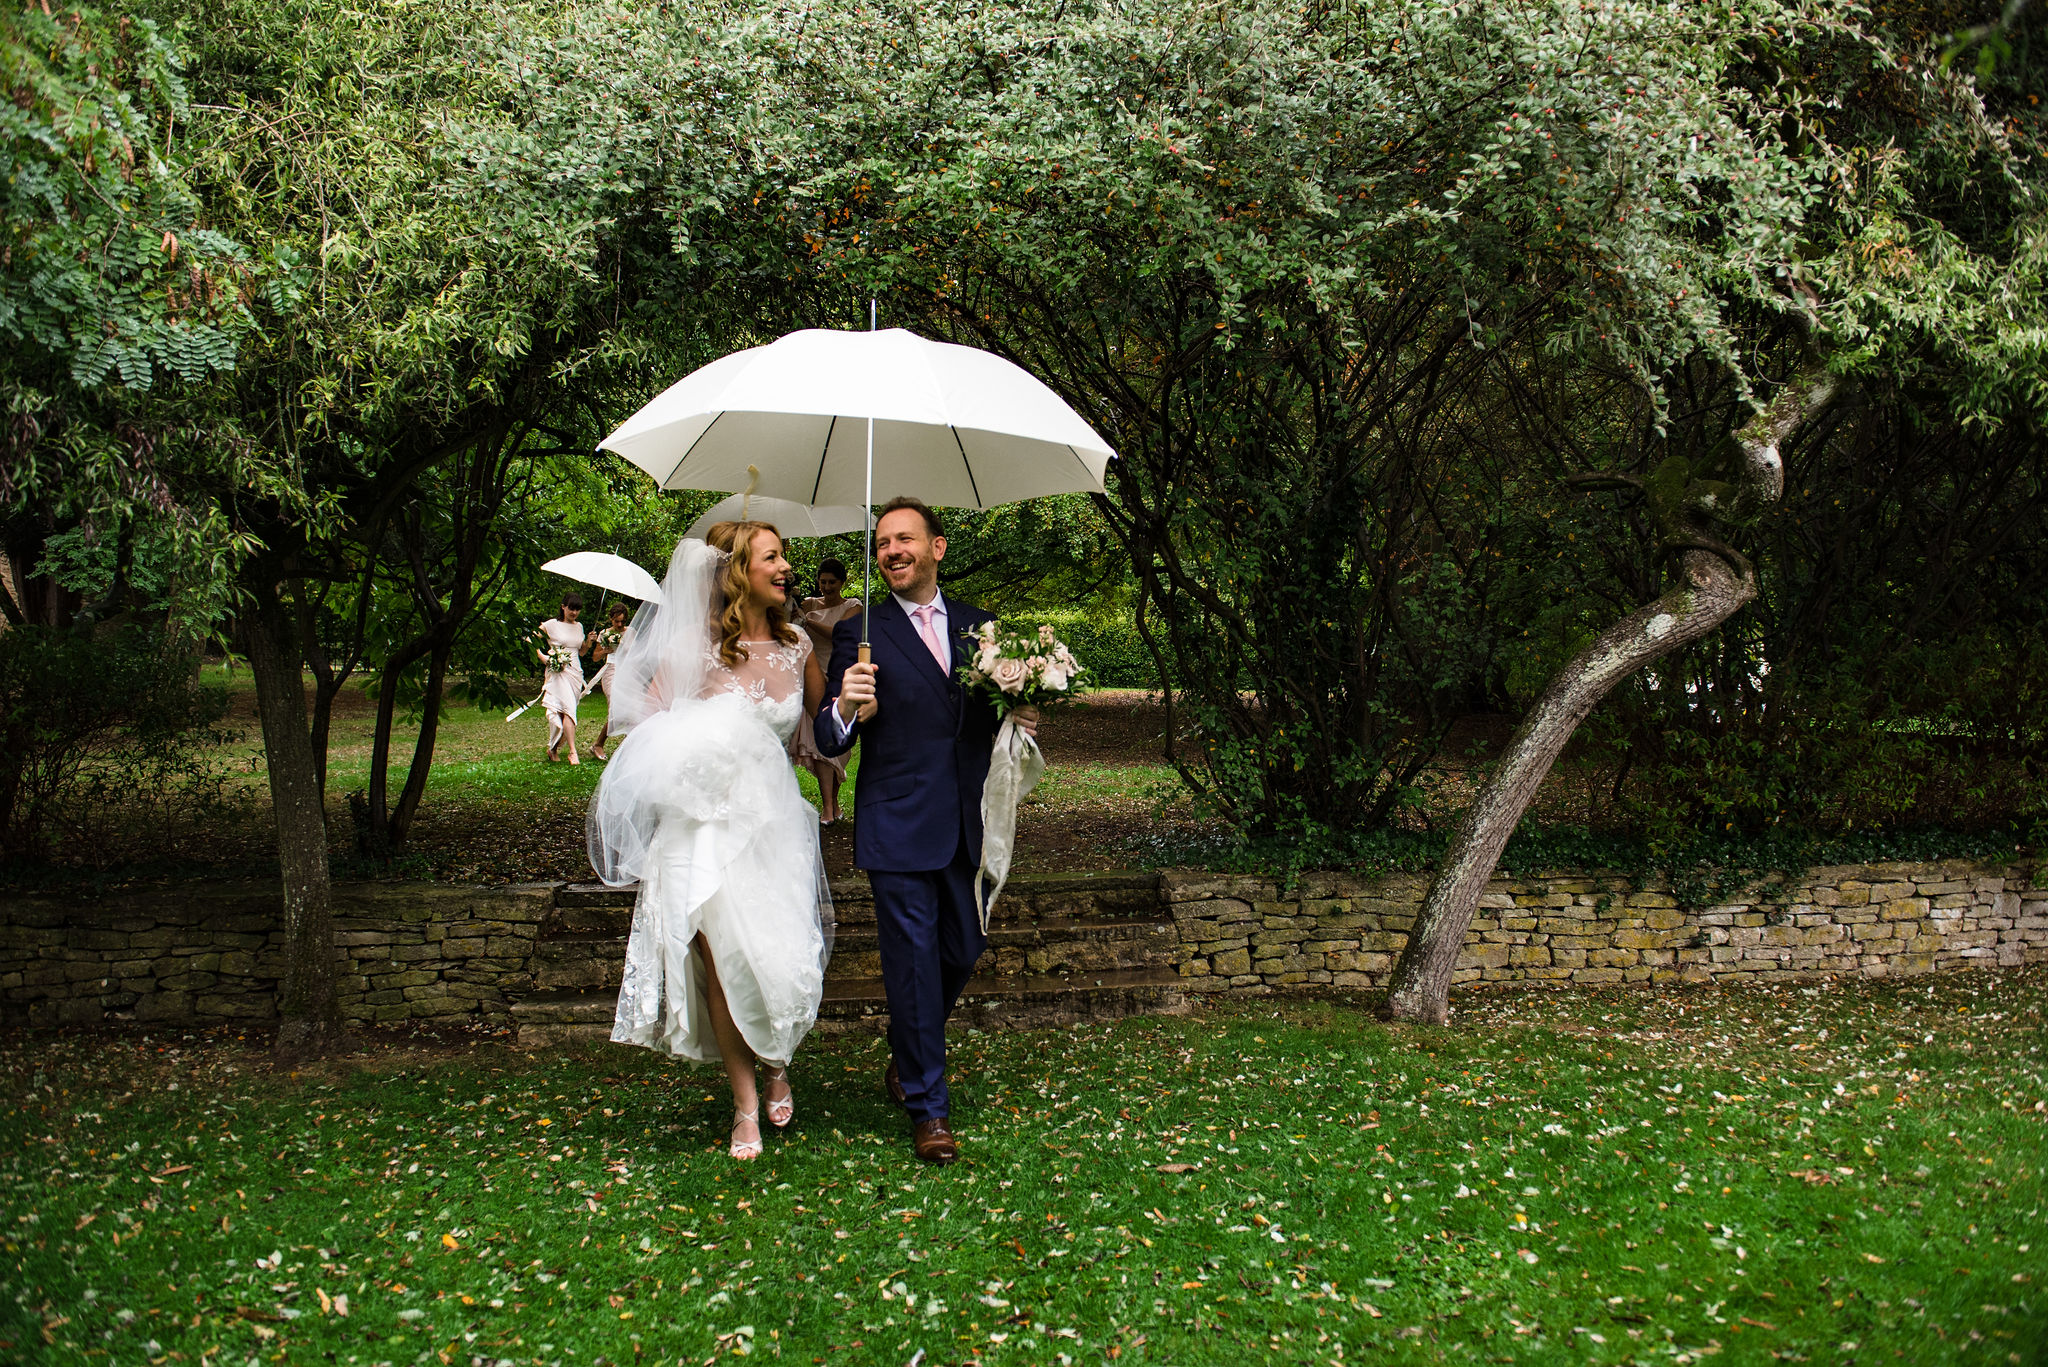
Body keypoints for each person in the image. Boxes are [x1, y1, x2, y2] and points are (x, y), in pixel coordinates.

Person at [589, 522, 834, 1161]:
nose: (786, 567)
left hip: (774, 826)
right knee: (723, 966)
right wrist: (696, 750)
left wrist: (856, 702)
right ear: (737, 572)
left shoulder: (798, 645)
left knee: (776, 955)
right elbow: (639, 721)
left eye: (785, 557)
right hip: (703, 827)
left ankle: (777, 1058)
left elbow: (828, 729)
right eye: (772, 557)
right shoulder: (695, 649)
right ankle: (745, 1101)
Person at [813, 497, 1036, 1165]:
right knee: (910, 959)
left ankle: (909, 1043)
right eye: (882, 542)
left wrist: (1023, 710)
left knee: (963, 945)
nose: (891, 551)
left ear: (937, 547)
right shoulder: (862, 632)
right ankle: (929, 1109)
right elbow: (827, 735)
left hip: (969, 819)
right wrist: (847, 705)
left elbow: (990, 713)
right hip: (899, 818)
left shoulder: (982, 629)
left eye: (904, 538)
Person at [790, 558, 862, 822]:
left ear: (842, 582)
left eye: (832, 582)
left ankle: (834, 804)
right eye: (823, 582)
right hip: (812, 676)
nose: (827, 587)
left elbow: (839, 634)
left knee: (838, 747)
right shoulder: (807, 605)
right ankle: (829, 808)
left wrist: (807, 622)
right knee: (818, 743)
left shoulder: (853, 606)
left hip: (839, 678)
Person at [537, 592, 586, 764]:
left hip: (575, 671)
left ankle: (553, 748)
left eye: (577, 610)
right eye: (571, 608)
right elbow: (531, 639)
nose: (574, 613)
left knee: (565, 710)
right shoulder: (552, 624)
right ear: (563, 606)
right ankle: (573, 752)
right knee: (567, 709)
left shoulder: (579, 626)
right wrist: (543, 657)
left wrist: (590, 642)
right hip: (558, 671)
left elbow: (581, 652)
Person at [582, 601, 634, 762]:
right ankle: (598, 744)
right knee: (615, 706)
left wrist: (627, 649)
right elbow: (595, 657)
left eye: (622, 621)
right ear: (611, 619)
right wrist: (605, 650)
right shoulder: (604, 634)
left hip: (628, 671)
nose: (619, 624)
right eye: (616, 621)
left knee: (630, 709)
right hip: (610, 670)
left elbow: (638, 653)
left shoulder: (631, 632)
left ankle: (628, 747)